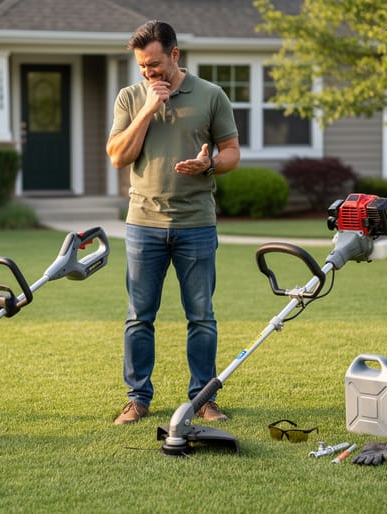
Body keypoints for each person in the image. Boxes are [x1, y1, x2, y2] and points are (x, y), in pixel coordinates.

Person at [106, 20, 241, 425]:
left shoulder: (211, 96)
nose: (149, 72)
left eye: (155, 64)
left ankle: (203, 398)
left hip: (197, 224)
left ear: (175, 55)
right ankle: (137, 398)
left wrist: (210, 164)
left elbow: (232, 151)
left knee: (201, 315)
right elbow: (117, 155)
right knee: (139, 316)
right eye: (142, 66)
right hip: (143, 223)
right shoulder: (130, 98)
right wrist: (149, 106)